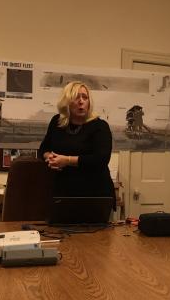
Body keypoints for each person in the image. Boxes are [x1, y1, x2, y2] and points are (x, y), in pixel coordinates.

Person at [39, 81, 115, 211]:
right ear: (67, 101)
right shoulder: (57, 122)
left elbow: (101, 159)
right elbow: (43, 149)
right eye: (76, 97)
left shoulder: (100, 126)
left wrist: (67, 160)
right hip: (63, 192)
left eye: (85, 97)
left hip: (94, 194)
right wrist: (50, 158)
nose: (81, 101)